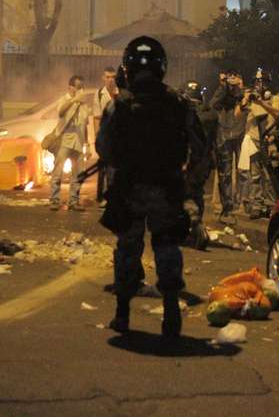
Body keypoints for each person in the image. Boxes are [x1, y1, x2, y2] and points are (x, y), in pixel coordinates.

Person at [97, 36, 206, 338]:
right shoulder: (179, 104)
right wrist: (189, 184)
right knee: (167, 248)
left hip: (130, 188)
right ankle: (171, 313)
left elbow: (103, 148)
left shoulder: (119, 106)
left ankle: (122, 314)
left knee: (127, 250)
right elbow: (199, 149)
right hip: (167, 187)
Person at [238, 69, 279, 219]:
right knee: (254, 175)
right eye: (257, 82)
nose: (259, 85)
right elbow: (237, 114)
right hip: (254, 139)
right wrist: (245, 99)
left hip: (269, 140)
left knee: (270, 176)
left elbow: (277, 113)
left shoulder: (274, 98)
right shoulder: (251, 98)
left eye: (262, 82)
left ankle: (272, 205)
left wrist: (262, 102)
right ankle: (257, 205)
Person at [179, 80, 217, 250]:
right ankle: (193, 231)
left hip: (189, 162)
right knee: (197, 193)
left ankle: (194, 226)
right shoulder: (210, 115)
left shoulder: (187, 115)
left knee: (183, 195)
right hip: (204, 163)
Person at [210, 69, 247, 224]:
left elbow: (243, 103)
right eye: (229, 78)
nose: (232, 81)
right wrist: (224, 86)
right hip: (224, 135)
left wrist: (240, 87)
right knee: (225, 173)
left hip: (238, 135)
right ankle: (226, 208)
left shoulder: (241, 92)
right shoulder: (222, 92)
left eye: (235, 78)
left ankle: (238, 204)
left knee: (242, 172)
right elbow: (214, 104)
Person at [50, 75, 90, 211]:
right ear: (70, 87)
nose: (80, 90)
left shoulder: (84, 105)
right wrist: (74, 100)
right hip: (65, 141)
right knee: (58, 172)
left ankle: (74, 201)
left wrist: (87, 145)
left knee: (78, 174)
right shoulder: (64, 100)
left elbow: (85, 125)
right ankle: (54, 200)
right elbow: (61, 112)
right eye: (78, 87)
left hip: (78, 142)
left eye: (81, 87)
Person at [93, 66, 119, 206]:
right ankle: (101, 197)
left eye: (113, 77)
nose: (110, 80)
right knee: (103, 169)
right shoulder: (98, 94)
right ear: (103, 78)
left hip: (118, 138)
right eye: (108, 77)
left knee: (115, 169)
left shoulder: (120, 92)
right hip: (105, 137)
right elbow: (96, 118)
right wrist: (97, 138)